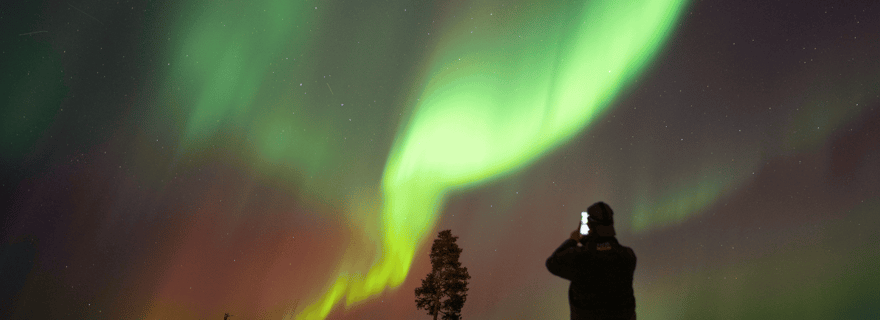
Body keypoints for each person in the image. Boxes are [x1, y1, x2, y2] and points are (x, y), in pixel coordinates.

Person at [546, 202, 637, 320]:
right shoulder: (627, 255)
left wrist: (574, 239)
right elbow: (603, 253)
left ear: (589, 225)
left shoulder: (580, 257)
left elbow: (552, 263)